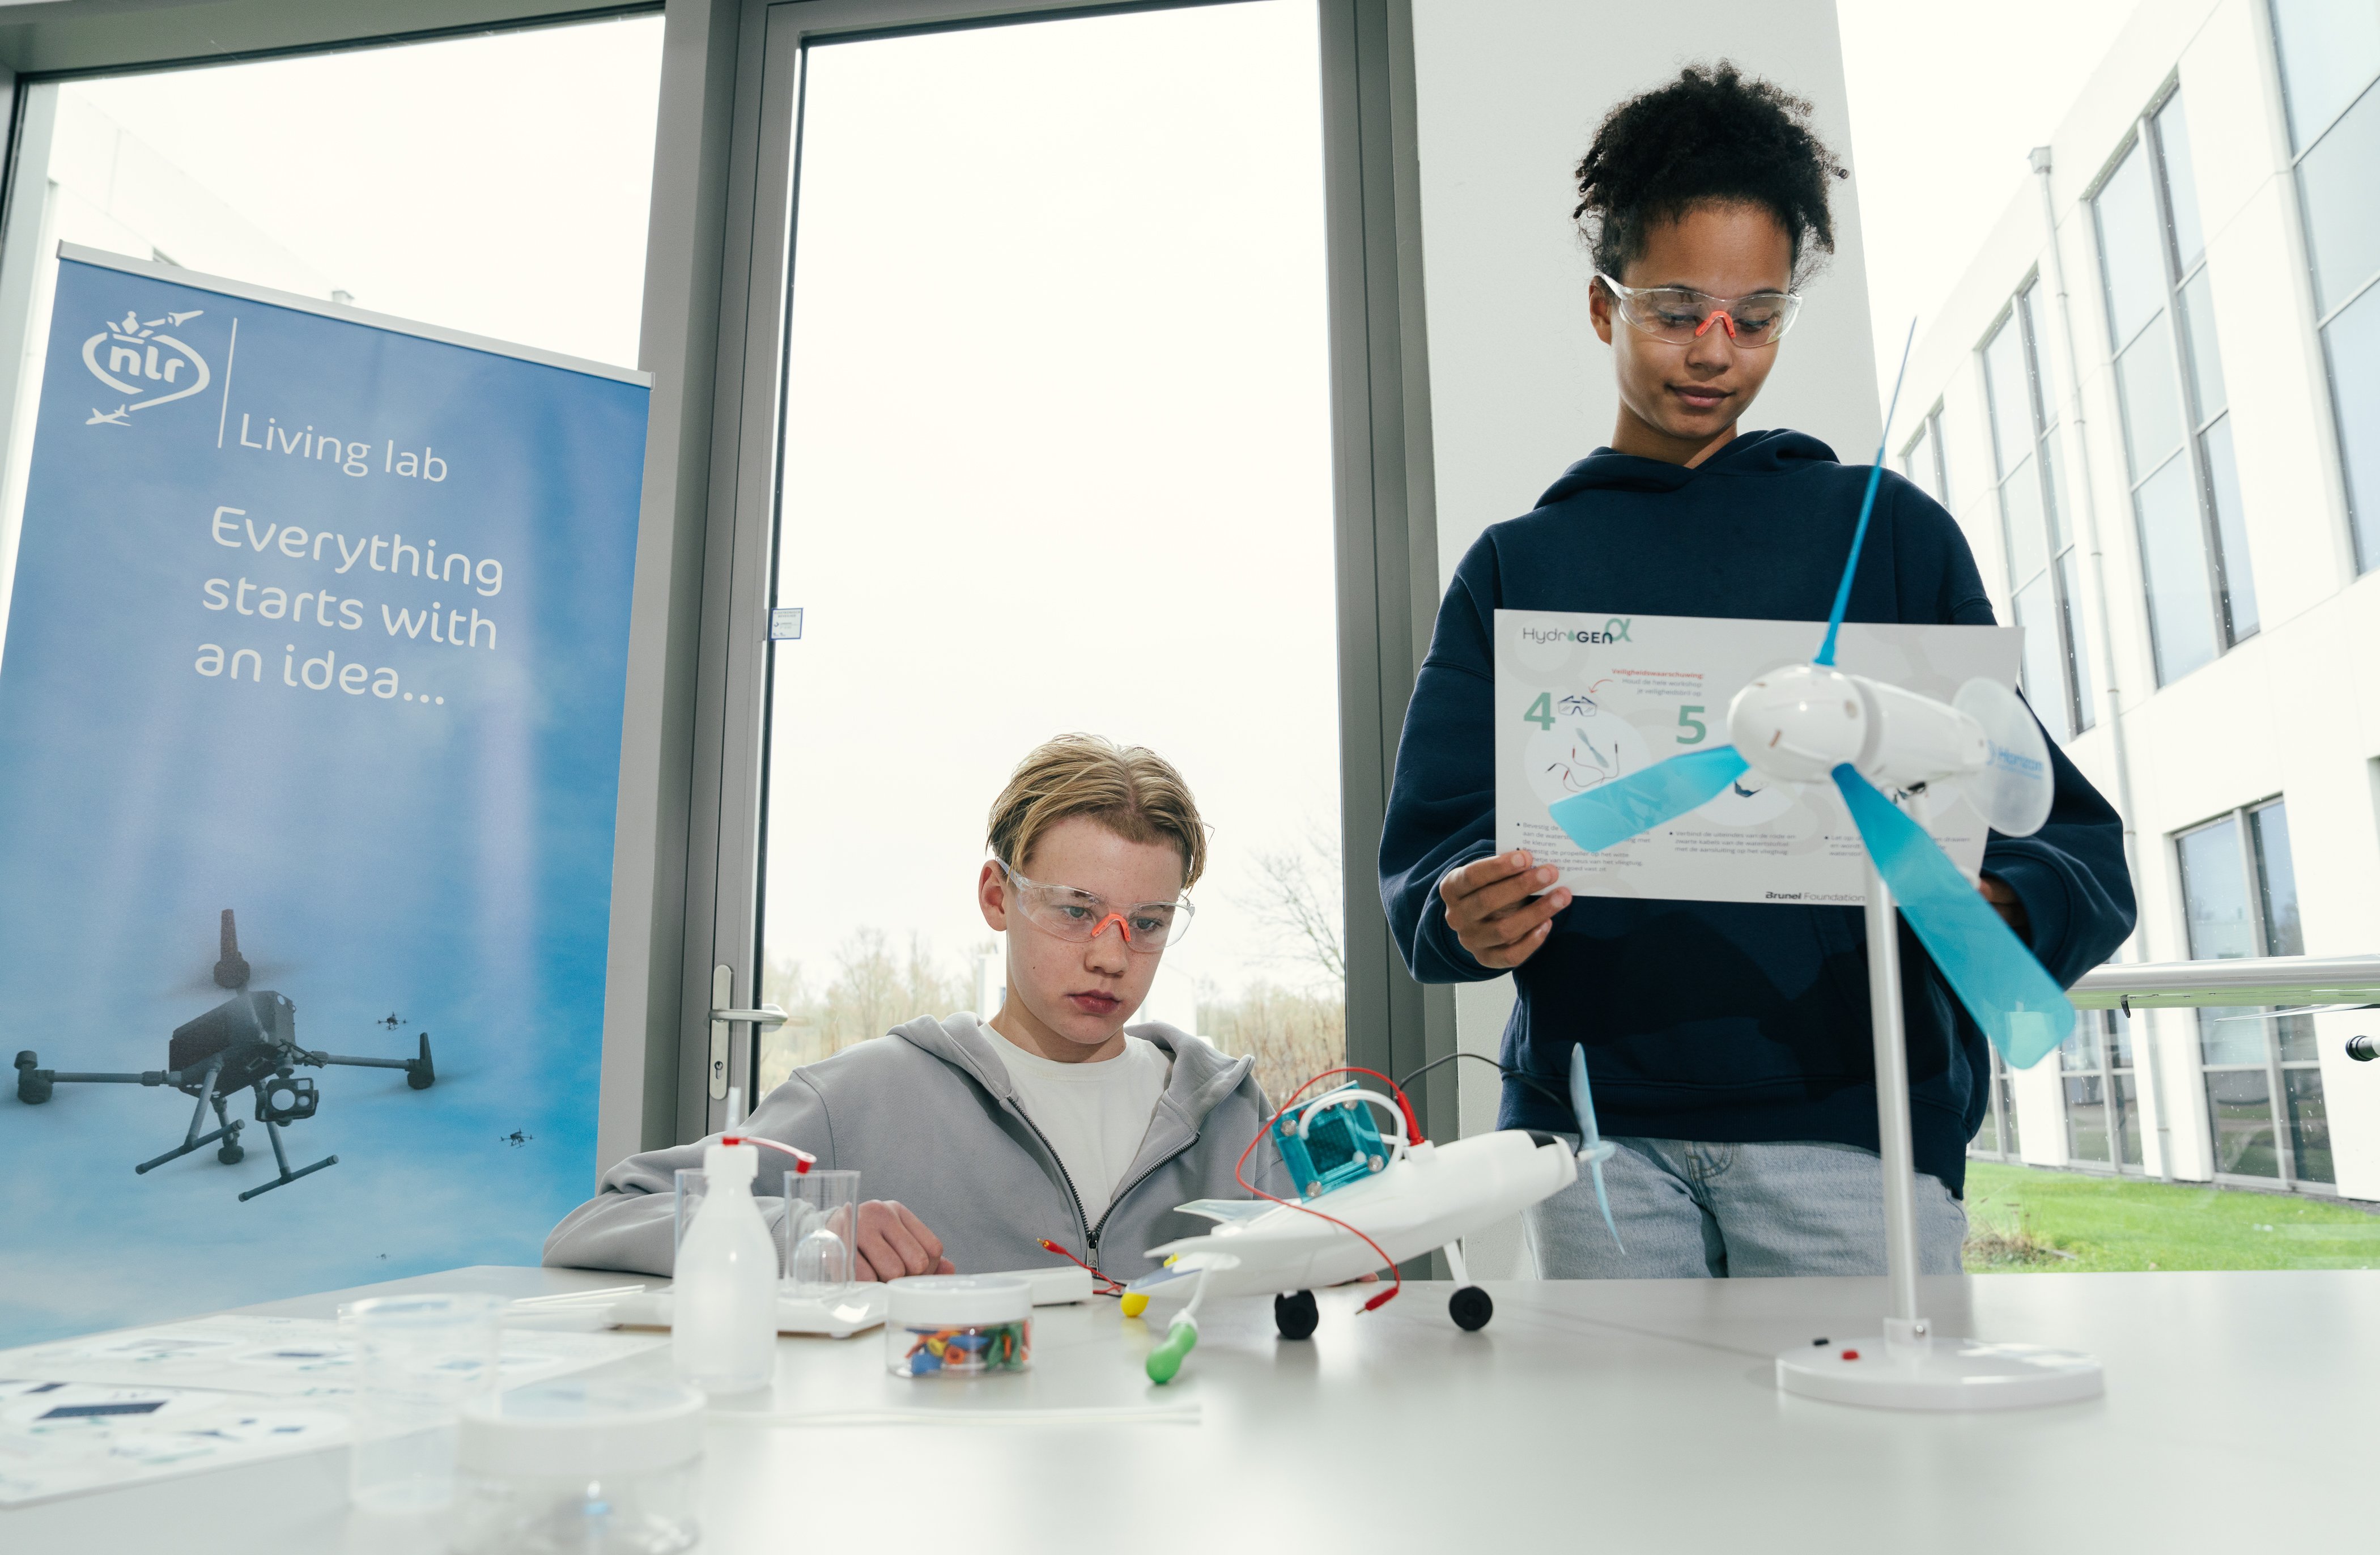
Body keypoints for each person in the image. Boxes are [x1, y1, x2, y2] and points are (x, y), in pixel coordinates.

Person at [1376, 63, 2134, 1280]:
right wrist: (1464, 907)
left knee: (1880, 1470)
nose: (1715, 351)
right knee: (1633, 1472)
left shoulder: (1890, 535)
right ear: (1600, 306)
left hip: (1854, 1124)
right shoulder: (1520, 565)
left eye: (1758, 314)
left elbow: (2055, 829)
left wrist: (1998, 904)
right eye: (1676, 310)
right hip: (1595, 1135)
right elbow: (1430, 861)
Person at [546, 733, 1285, 1281]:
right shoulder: (861, 1098)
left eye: (1148, 922)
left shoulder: (1231, 1114)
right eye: (1075, 911)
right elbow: (598, 1223)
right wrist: (805, 1234)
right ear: (998, 898)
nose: (1111, 957)